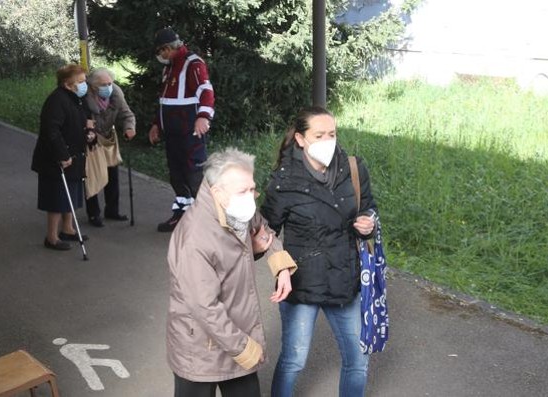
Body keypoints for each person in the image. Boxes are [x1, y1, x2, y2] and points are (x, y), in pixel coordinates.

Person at [260, 107, 378, 397]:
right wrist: (279, 266)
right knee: (293, 361)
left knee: (358, 360)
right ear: (300, 139)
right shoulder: (284, 180)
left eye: (332, 134)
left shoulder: (353, 167)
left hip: (344, 279)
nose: (328, 140)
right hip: (302, 284)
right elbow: (265, 231)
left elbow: (368, 208)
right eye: (319, 135)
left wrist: (368, 224)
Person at [166, 148, 298, 397]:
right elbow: (205, 308)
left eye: (252, 189)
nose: (250, 197)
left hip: (237, 331)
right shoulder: (194, 238)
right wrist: (245, 349)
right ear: (217, 192)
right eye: (243, 191)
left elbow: (263, 230)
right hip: (200, 350)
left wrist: (281, 267)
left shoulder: (237, 208)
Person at [148, 28, 215, 232]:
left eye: (161, 51)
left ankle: (209, 222)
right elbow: (165, 100)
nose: (160, 56)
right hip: (172, 134)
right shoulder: (169, 68)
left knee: (194, 175)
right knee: (176, 175)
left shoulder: (193, 64)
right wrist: (156, 124)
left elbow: (206, 91)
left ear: (168, 48)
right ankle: (182, 214)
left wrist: (203, 117)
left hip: (190, 133)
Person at [31, 64, 96, 250]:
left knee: (72, 195)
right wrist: (62, 154)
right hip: (56, 158)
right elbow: (51, 130)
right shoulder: (56, 100)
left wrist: (90, 133)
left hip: (74, 155)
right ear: (67, 84)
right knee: (57, 198)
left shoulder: (77, 98)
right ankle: (51, 237)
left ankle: (68, 229)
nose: (85, 85)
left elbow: (83, 122)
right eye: (81, 81)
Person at [83, 67, 136, 227]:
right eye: (104, 84)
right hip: (91, 138)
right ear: (93, 86)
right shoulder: (84, 96)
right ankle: (93, 214)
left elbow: (127, 114)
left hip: (107, 137)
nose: (108, 87)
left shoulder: (116, 93)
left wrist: (129, 127)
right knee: (93, 175)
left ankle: (112, 210)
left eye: (110, 83)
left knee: (113, 174)